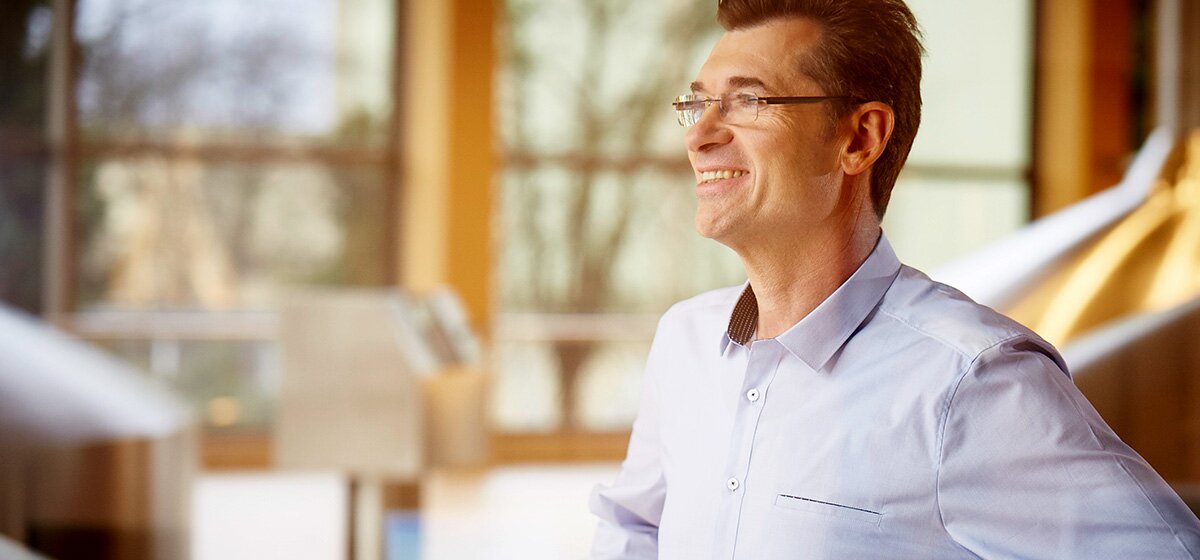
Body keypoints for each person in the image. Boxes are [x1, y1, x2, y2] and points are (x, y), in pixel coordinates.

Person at [588, 0, 1200, 558]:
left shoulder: (972, 382)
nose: (698, 135)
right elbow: (635, 524)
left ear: (860, 138)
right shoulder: (685, 341)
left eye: (748, 101)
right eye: (698, 102)